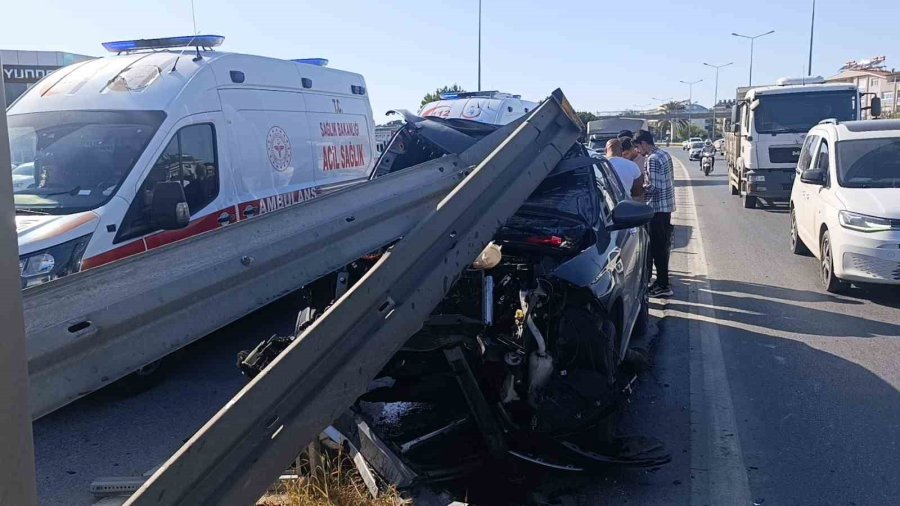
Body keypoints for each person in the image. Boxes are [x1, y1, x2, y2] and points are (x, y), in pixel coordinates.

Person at [635, 129, 675, 298]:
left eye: (638, 147)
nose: (638, 151)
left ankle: (663, 285)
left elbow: (654, 187)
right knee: (662, 247)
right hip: (666, 208)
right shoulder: (664, 154)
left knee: (657, 249)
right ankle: (661, 282)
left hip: (657, 209)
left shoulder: (652, 159)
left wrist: (639, 190)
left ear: (644, 143)